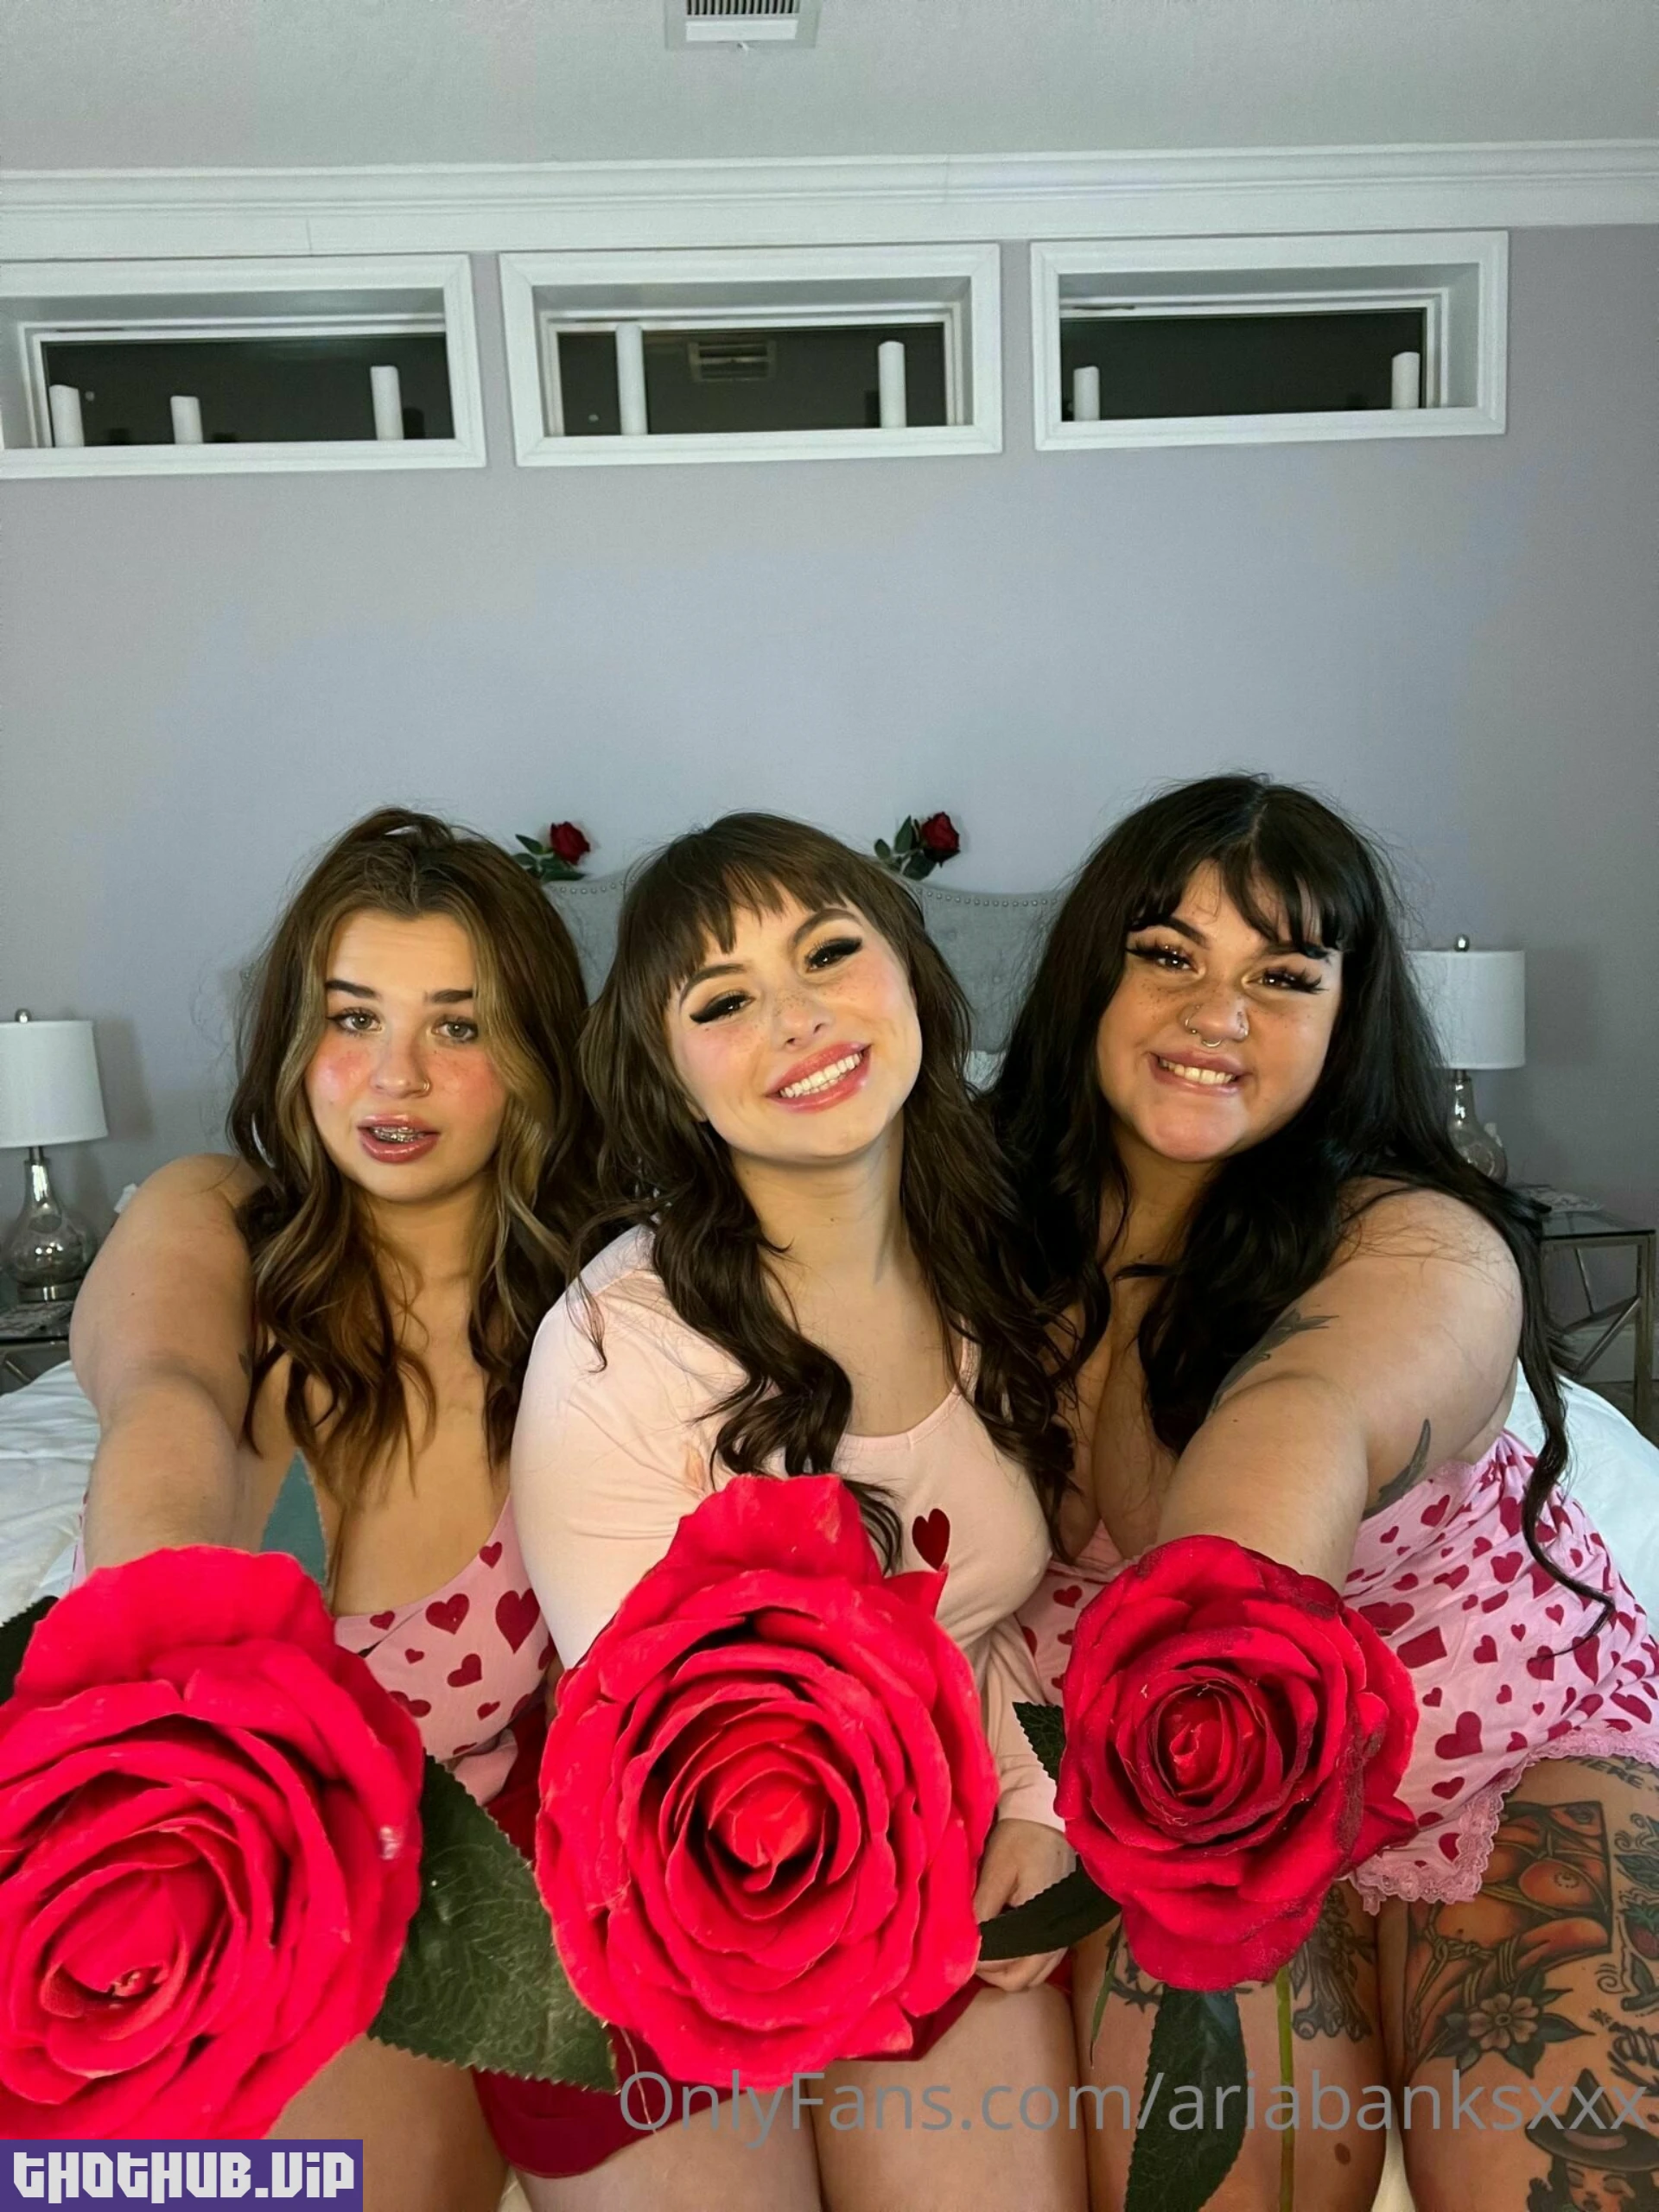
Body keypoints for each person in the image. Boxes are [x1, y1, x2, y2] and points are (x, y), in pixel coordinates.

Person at [995, 773, 1659, 2211]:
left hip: (1491, 1743)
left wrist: (1220, 1685)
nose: (1216, 1013)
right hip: (1166, 1803)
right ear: (1089, 977)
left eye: (1282, 977)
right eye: (1167, 954)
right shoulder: (969, 1239)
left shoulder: (1425, 1246)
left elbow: (1297, 1416)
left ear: (1348, 1022)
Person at [505, 814, 1089, 2211]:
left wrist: (1038, 1801)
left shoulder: (994, 1268)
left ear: (914, 977)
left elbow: (973, 1613)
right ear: (668, 1079)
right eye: (723, 1001)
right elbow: (672, 1742)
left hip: (939, 1838)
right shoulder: (616, 1349)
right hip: (668, 1880)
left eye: (829, 951)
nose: (798, 1017)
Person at [71, 807, 597, 2212]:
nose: (394, 1076)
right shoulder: (216, 1218)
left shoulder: (598, 1315)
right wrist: (160, 1736)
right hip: (215, 1855)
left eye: (457, 1026)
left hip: (458, 1868)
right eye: (353, 1017)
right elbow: (167, 1397)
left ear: (535, 1058)